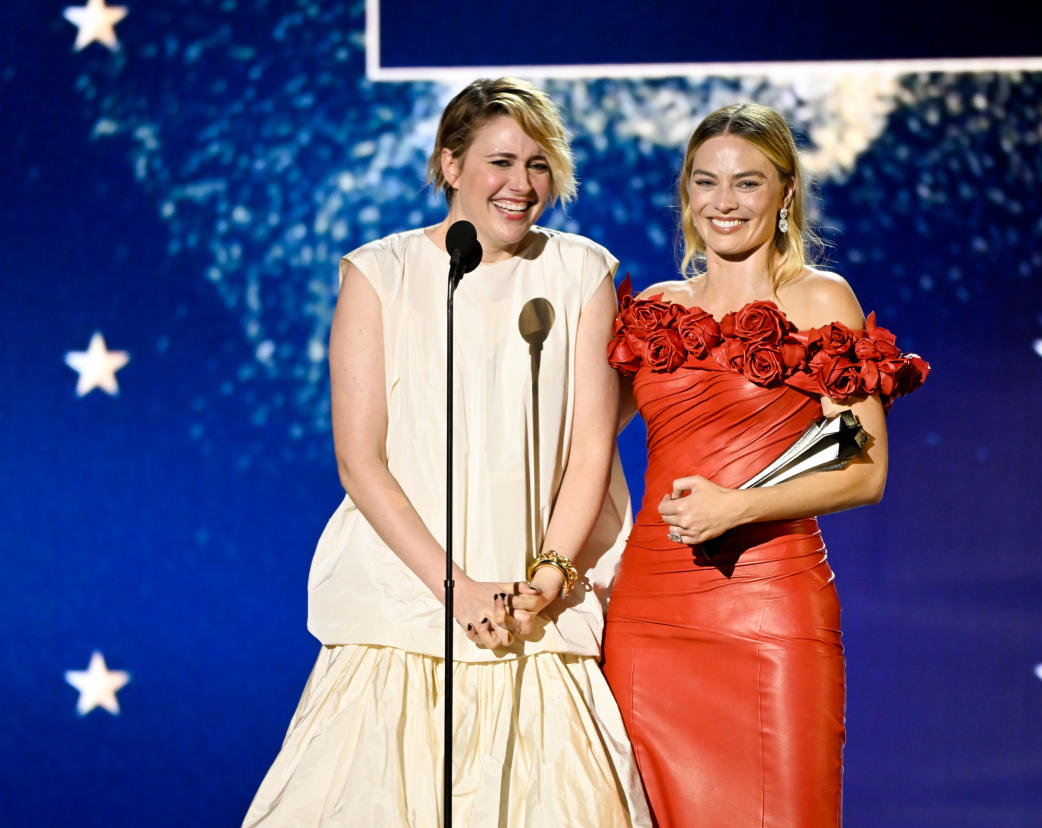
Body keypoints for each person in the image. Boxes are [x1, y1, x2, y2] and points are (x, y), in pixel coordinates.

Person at [244, 78, 649, 827]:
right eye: (500, 161)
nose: (521, 185)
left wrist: (551, 576)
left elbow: (591, 449)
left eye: (537, 164)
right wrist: (456, 589)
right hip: (403, 619)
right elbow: (360, 461)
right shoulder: (380, 274)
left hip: (536, 624)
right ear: (451, 165)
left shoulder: (582, 272)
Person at [602, 103, 928, 826]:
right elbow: (579, 438)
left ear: (785, 192)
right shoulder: (657, 309)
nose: (724, 202)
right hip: (648, 619)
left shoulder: (820, 300)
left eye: (747, 183)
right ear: (686, 193)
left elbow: (863, 472)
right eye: (705, 182)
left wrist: (735, 507)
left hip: (769, 615)